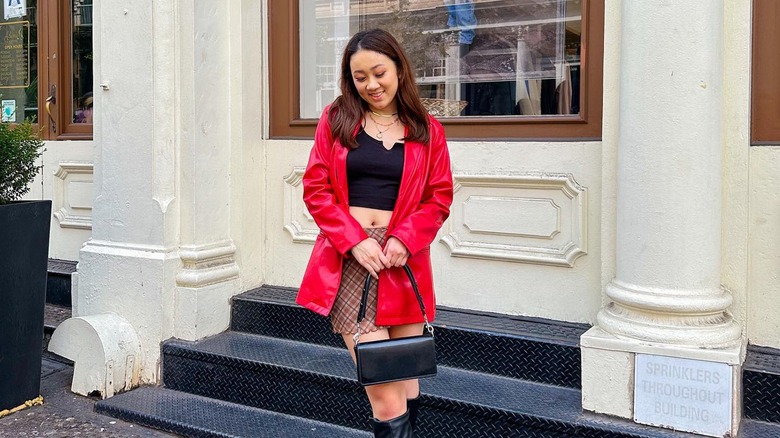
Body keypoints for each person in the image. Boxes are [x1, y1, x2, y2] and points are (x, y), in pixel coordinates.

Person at [296, 28, 453, 437]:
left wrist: (405, 238)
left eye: (379, 72)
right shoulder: (337, 120)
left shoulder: (427, 129)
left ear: (399, 68)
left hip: (404, 259)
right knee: (384, 390)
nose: (371, 85)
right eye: (360, 77)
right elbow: (316, 190)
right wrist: (353, 240)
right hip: (352, 257)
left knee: (405, 378)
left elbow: (438, 198)